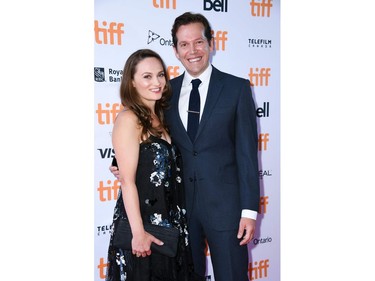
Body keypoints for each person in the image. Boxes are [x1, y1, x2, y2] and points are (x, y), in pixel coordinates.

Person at [111, 12, 260, 281]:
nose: (192, 50)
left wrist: (249, 212)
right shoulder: (165, 94)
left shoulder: (237, 89)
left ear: (211, 44)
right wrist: (118, 164)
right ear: (176, 51)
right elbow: (144, 140)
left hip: (226, 211)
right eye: (184, 44)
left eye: (199, 42)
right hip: (178, 214)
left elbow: (248, 156)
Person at [105, 49, 201, 281]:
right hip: (144, 223)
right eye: (147, 76)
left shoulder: (163, 116)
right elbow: (127, 182)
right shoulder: (129, 119)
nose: (157, 82)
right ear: (132, 82)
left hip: (172, 222)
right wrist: (138, 234)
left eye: (160, 75)